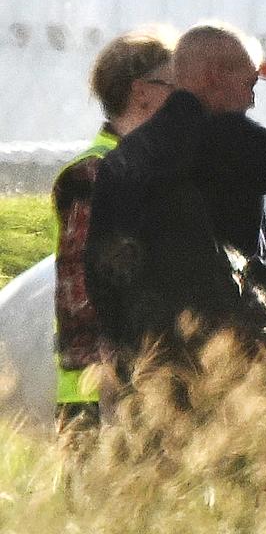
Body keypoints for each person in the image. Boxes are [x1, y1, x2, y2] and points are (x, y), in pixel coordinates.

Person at [84, 23, 266, 388]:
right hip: (231, 356)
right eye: (250, 84)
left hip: (151, 364)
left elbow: (99, 268)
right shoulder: (232, 142)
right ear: (215, 77)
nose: (251, 100)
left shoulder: (125, 156)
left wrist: (127, 349)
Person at [52, 30, 175, 432]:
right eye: (175, 86)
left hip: (134, 378)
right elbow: (81, 288)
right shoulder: (96, 172)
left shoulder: (141, 166)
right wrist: (113, 373)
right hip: (98, 391)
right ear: (142, 93)